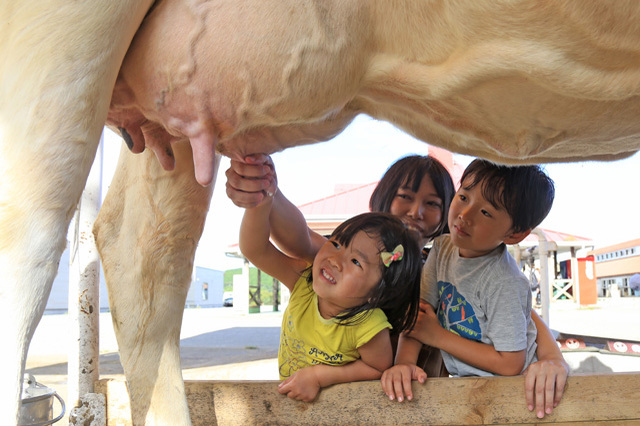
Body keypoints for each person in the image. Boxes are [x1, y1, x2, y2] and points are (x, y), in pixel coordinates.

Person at [226, 153, 568, 418]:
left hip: (419, 400)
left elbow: (522, 316)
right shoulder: (353, 258)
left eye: (432, 203)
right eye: (405, 196)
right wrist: (267, 187)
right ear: (385, 196)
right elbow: (300, 240)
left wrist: (552, 359)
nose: (416, 211)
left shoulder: (444, 263)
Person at [381, 159, 556, 405]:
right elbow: (419, 316)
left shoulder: (504, 282)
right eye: (463, 197)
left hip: (516, 389)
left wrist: (438, 336)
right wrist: (404, 365)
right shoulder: (442, 248)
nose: (464, 215)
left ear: (514, 234)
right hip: (470, 382)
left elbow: (510, 362)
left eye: (485, 212)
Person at [239, 198, 423, 402]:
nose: (335, 260)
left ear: (379, 292)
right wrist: (259, 202)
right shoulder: (304, 282)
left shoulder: (369, 325)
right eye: (336, 243)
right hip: (291, 403)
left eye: (355, 261)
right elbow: (255, 250)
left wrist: (319, 376)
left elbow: (377, 367)